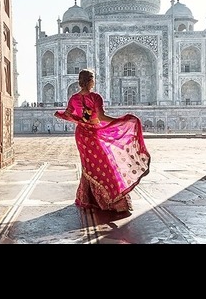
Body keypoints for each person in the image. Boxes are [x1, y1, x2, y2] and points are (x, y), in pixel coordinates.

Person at [54, 68, 151, 213]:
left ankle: (88, 198)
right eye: (93, 79)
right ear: (90, 81)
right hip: (93, 133)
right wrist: (120, 121)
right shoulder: (95, 97)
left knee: (89, 166)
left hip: (81, 134)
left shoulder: (74, 98)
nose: (94, 81)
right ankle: (111, 199)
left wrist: (77, 119)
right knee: (104, 163)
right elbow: (101, 117)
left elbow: (68, 115)